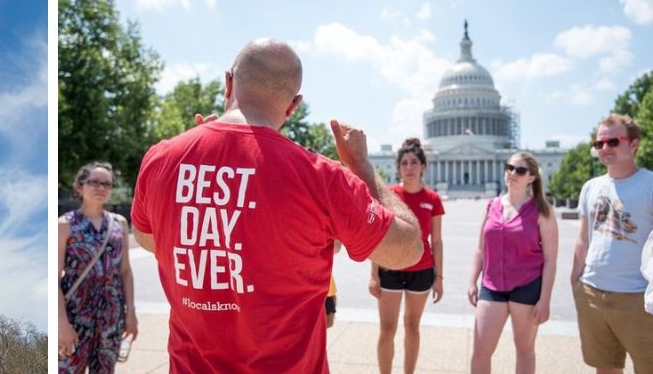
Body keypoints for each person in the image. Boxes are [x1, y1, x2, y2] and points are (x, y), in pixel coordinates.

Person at [129, 39, 422, 373]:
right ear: (293, 105)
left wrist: (202, 187)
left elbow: (149, 239)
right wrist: (364, 169)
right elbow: (408, 249)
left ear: (228, 83)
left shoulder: (162, 158)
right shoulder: (320, 177)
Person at [571, 114, 653, 373]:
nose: (605, 148)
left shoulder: (649, 184)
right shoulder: (590, 187)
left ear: (634, 144)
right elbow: (583, 238)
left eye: (613, 141)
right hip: (592, 291)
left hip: (637, 295)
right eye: (599, 143)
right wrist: (576, 280)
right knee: (605, 367)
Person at [467, 152, 557, 374]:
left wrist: (545, 299)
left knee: (524, 349)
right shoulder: (491, 205)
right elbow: (480, 248)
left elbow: (551, 259)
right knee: (480, 350)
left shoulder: (542, 211)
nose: (512, 173)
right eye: (509, 167)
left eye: (520, 170)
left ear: (532, 178)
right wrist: (472, 281)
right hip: (492, 285)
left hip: (527, 286)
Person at [370, 138, 444, 374]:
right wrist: (374, 275)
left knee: (412, 326)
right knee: (387, 329)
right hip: (390, 269)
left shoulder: (432, 199)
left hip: (421, 270)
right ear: (398, 167)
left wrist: (439, 276)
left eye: (414, 162)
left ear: (423, 166)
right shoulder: (389, 195)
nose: (409, 168)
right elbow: (378, 237)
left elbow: (437, 240)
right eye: (404, 163)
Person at [57, 162, 137, 374]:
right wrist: (61, 323)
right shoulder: (65, 225)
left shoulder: (119, 223)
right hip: (75, 313)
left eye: (107, 184)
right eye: (94, 182)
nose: (101, 188)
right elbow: (54, 278)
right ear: (79, 186)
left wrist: (131, 312)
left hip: (111, 313)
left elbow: (125, 271)